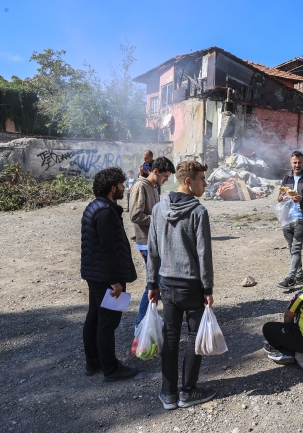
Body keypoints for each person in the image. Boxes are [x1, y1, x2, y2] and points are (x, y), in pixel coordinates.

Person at [147, 161, 217, 410]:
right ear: (188, 181)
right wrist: (208, 289)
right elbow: (203, 254)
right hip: (191, 286)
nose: (205, 183)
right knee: (193, 337)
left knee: (170, 337)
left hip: (166, 283)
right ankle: (187, 392)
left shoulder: (158, 208)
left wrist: (151, 283)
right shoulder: (198, 212)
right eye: (202, 179)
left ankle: (168, 394)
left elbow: (152, 249)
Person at [80, 167, 139, 382]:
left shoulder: (96, 207)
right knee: (107, 322)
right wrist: (115, 281)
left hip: (95, 274)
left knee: (95, 317)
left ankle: (93, 363)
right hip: (106, 277)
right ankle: (111, 369)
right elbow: (107, 249)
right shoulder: (104, 212)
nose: (124, 188)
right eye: (122, 184)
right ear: (113, 187)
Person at [130, 157, 175, 334]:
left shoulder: (154, 186)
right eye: (164, 176)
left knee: (157, 281)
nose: (166, 180)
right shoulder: (141, 186)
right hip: (146, 243)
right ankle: (141, 325)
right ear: (155, 171)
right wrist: (158, 219)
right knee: (153, 283)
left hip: (154, 242)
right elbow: (135, 215)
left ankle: (151, 320)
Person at [276, 151, 303, 288]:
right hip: (287, 219)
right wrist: (280, 198)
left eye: (299, 162)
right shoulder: (286, 179)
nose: (297, 165)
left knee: (295, 249)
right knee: (292, 249)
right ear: (291, 163)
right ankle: (300, 276)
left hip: (302, 219)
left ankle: (290, 278)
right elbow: (279, 197)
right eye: (295, 162)